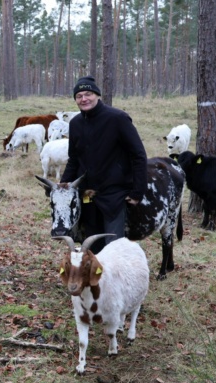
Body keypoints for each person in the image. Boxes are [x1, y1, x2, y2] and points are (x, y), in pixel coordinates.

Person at [60, 76, 148, 253]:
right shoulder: (76, 123)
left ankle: (116, 279)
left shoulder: (118, 118)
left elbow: (138, 155)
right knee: (92, 246)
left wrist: (137, 191)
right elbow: (74, 159)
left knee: (114, 247)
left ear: (97, 95)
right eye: (79, 96)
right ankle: (96, 279)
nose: (84, 99)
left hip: (114, 195)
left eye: (88, 94)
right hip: (87, 195)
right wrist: (62, 187)